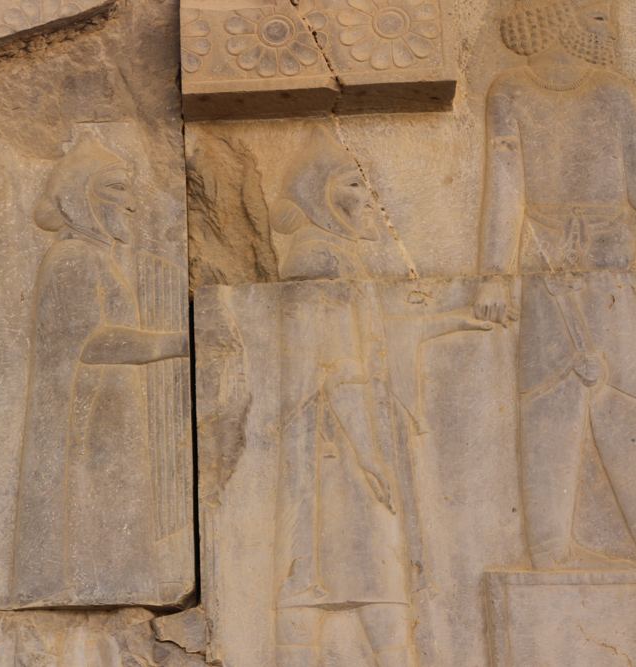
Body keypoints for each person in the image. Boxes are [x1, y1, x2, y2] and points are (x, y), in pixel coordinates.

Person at [271, 127, 491, 666]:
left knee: (358, 577)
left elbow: (377, 337)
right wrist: (370, 453)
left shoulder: (340, 259)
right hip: (336, 446)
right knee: (354, 577)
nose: (367, 198)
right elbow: (338, 366)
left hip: (348, 435)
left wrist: (454, 317)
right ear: (317, 194)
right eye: (353, 184)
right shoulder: (316, 260)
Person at [473, 0, 636, 570]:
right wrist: (494, 272)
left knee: (622, 395)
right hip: (542, 255)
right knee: (548, 396)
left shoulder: (617, 91)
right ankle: (548, 550)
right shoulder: (509, 90)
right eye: (594, 11)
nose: (607, 21)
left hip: (613, 255)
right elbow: (505, 183)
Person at [11, 132, 189, 607]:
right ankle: (98, 582)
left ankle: (117, 580)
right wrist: (178, 342)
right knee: (92, 503)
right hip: (84, 420)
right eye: (116, 188)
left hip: (106, 416)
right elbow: (95, 342)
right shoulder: (72, 258)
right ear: (79, 198)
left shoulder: (98, 259)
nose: (132, 203)